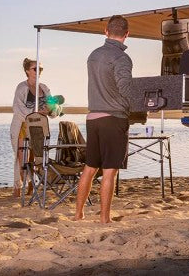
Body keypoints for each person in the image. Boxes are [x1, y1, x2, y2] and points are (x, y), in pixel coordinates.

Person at [74, 15, 133, 224]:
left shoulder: (93, 55)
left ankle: (78, 213)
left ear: (105, 31)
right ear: (127, 34)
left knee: (90, 168)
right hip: (113, 118)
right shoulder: (121, 58)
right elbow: (125, 88)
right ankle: (105, 218)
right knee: (109, 171)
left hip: (93, 118)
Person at [10, 58, 56, 198]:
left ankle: (31, 186)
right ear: (27, 71)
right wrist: (34, 114)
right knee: (22, 159)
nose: (38, 71)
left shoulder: (45, 88)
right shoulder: (21, 87)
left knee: (36, 158)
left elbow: (54, 109)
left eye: (40, 69)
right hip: (23, 127)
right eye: (35, 69)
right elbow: (17, 109)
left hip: (39, 128)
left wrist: (49, 109)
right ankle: (18, 187)